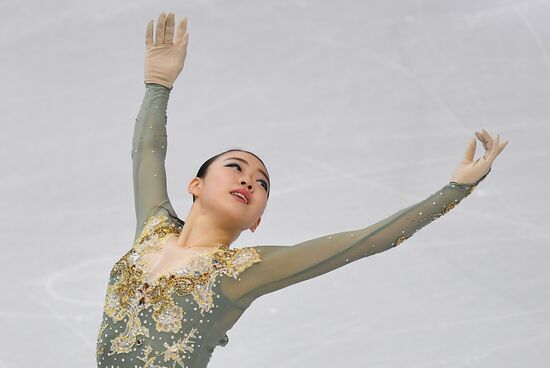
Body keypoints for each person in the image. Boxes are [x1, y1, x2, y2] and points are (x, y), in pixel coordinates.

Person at [95, 12, 509, 368]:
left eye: (261, 183)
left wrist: (454, 191)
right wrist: (157, 85)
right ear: (196, 185)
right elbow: (147, 151)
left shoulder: (245, 271)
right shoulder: (154, 228)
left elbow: (363, 242)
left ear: (257, 220)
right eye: (235, 168)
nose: (248, 181)